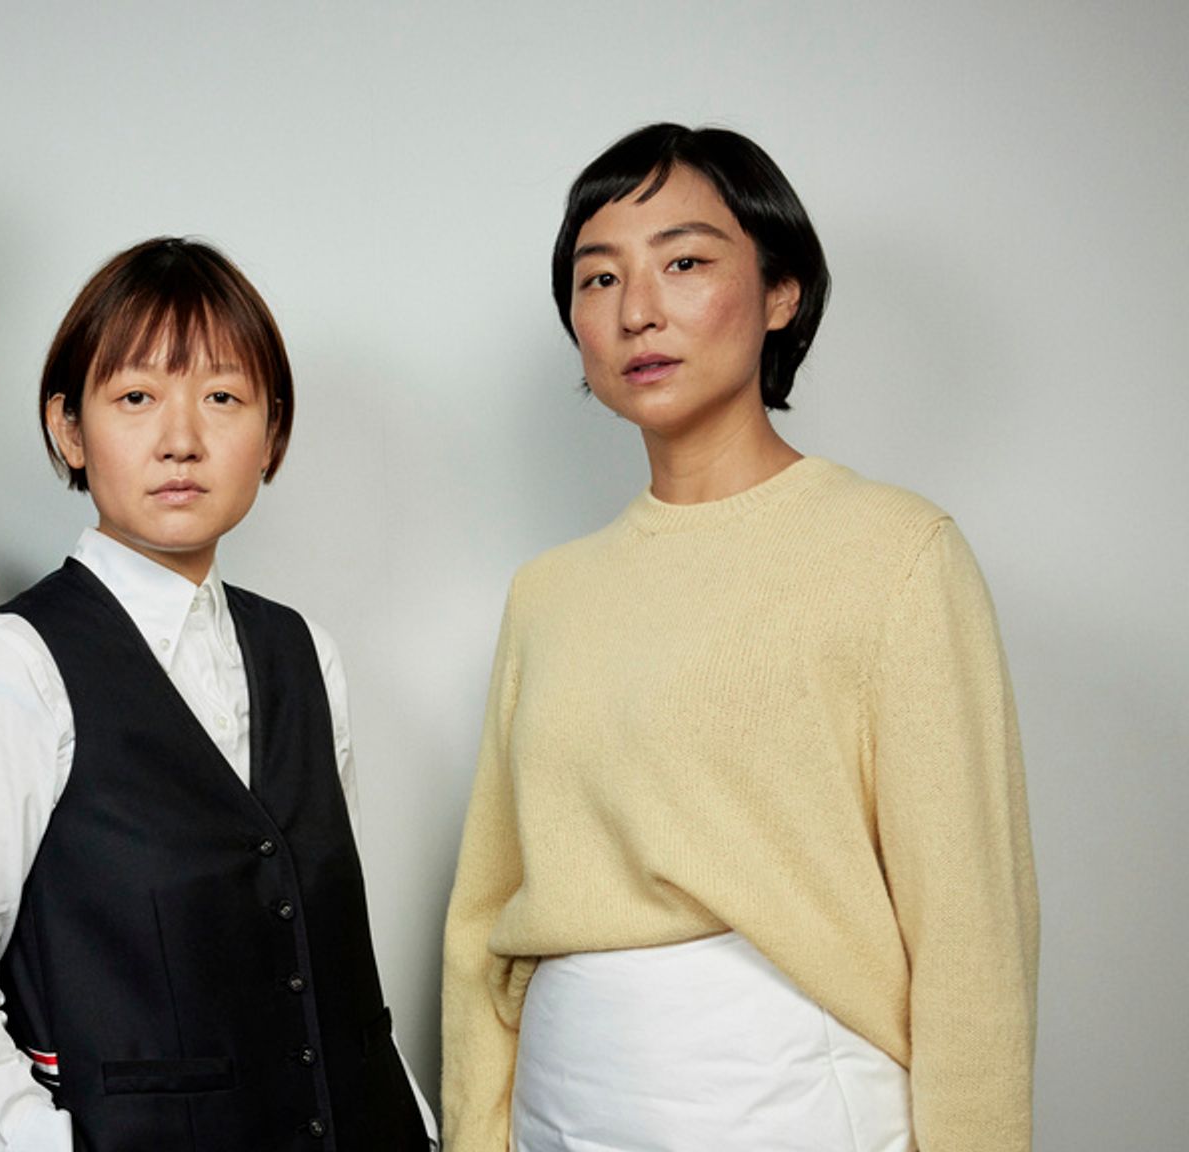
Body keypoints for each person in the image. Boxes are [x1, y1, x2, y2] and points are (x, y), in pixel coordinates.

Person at [440, 124, 1039, 1152]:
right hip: (561, 1108)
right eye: (596, 278)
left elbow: (970, 932)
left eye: (682, 262)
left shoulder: (895, 552)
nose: (636, 311)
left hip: (789, 1103)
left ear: (778, 293)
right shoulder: (546, 595)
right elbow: (478, 926)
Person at [0, 237, 436, 1151]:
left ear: (273, 434)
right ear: (70, 428)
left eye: (222, 399)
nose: (182, 440)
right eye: (136, 398)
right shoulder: (11, 667)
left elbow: (325, 960)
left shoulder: (307, 654)